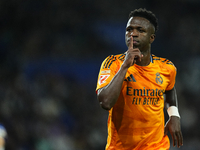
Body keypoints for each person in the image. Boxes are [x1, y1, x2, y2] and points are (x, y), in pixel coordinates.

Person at [96, 8, 183, 150]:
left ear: (151, 38)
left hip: (157, 146)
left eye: (140, 30)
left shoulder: (167, 67)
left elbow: (169, 89)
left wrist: (174, 115)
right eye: (129, 30)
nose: (133, 34)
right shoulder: (113, 63)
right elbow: (105, 102)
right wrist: (125, 66)